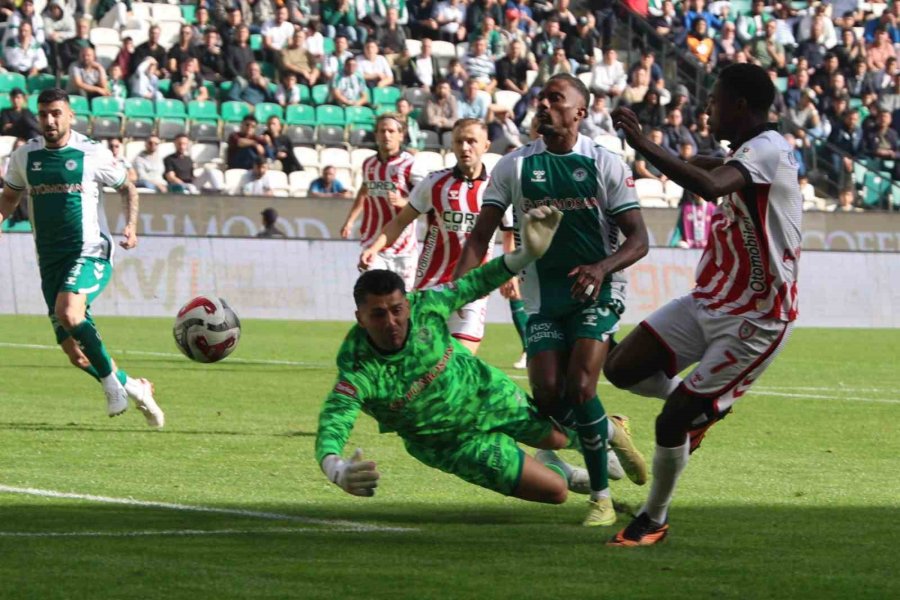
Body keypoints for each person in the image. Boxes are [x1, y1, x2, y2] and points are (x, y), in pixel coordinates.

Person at [607, 63, 801, 546]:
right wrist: (658, 154)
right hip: (709, 299)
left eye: (714, 100)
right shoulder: (743, 153)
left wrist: (642, 143)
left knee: (670, 421)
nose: (706, 107)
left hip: (757, 318)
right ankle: (701, 407)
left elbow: (709, 186)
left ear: (739, 105)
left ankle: (654, 518)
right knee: (619, 368)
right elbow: (703, 170)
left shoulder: (770, 151)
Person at [455, 73, 651, 527]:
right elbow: (478, 238)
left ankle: (600, 500)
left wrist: (601, 269)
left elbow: (639, 240)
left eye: (555, 99)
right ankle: (609, 430)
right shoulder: (514, 166)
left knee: (581, 386)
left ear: (579, 112)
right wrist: (455, 294)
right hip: (544, 293)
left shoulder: (605, 162)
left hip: (598, 290)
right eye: (541, 99)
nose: (543, 106)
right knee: (547, 393)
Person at [317, 206, 605, 506]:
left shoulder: (425, 305)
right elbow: (333, 421)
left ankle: (602, 437)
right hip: (451, 444)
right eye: (378, 315)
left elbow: (475, 282)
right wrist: (336, 468)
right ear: (360, 318)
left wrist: (525, 255)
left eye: (397, 310)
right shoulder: (358, 369)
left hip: (485, 394)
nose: (391, 322)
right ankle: (558, 466)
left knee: (557, 437)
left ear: (406, 304)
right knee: (556, 492)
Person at [0, 88, 164, 428]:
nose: (49, 120)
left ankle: (110, 385)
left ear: (70, 115)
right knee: (75, 354)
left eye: (56, 113)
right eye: (44, 113)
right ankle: (135, 387)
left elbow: (127, 187)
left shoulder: (91, 153)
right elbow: (9, 199)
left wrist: (130, 227)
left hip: (91, 250)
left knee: (69, 312)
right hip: (50, 260)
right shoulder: (24, 157)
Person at [359, 119, 494, 354]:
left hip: (473, 288)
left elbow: (511, 232)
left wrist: (512, 276)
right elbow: (400, 221)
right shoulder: (435, 183)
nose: (465, 147)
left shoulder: (497, 188)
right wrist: (375, 247)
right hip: (432, 286)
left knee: (460, 364)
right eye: (459, 141)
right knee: (422, 364)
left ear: (486, 145)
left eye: (471, 141)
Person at [341, 114, 425, 290]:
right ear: (376, 135)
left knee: (403, 302)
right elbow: (364, 191)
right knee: (373, 294)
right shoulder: (369, 164)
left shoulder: (411, 164)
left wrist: (403, 202)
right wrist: (350, 221)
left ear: (401, 135)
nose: (386, 135)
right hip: (372, 242)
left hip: (403, 248)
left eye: (391, 131)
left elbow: (426, 199)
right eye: (382, 131)